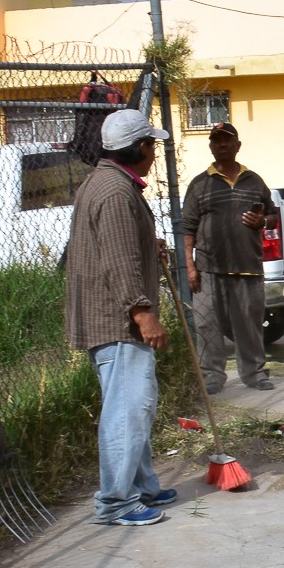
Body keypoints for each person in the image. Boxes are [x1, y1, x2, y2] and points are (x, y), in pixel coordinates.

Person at [65, 108, 177, 527]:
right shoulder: (114, 192)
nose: (153, 152)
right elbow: (117, 261)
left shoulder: (111, 183)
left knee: (135, 406)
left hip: (111, 316)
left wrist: (151, 246)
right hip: (117, 322)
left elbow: (121, 246)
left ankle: (143, 486)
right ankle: (116, 502)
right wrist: (143, 314)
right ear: (139, 147)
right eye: (151, 144)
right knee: (128, 409)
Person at [181, 122, 276, 395]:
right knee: (206, 323)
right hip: (209, 268)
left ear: (237, 145)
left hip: (248, 267)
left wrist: (262, 220)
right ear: (210, 146)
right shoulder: (200, 184)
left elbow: (272, 215)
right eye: (216, 141)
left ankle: (255, 374)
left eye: (227, 140)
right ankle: (212, 375)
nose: (222, 145)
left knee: (250, 324)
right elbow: (188, 228)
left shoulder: (254, 180)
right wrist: (190, 265)